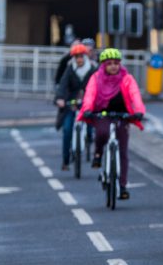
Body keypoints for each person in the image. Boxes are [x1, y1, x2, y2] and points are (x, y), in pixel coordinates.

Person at [77, 48, 146, 200]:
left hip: (122, 115)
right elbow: (89, 95)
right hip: (102, 113)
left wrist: (139, 111)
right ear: (104, 65)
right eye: (110, 63)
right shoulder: (96, 78)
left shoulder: (127, 78)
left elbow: (135, 95)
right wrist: (87, 109)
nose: (113, 66)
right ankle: (98, 153)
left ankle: (122, 186)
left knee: (123, 151)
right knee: (102, 132)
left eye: (116, 63)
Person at [54, 41, 96, 171]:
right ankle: (66, 160)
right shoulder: (70, 69)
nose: (79, 59)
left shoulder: (92, 69)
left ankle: (89, 137)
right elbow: (63, 85)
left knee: (91, 123)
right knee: (67, 129)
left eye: (81, 56)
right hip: (71, 103)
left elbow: (97, 85)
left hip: (87, 102)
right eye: (76, 57)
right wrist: (60, 98)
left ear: (85, 56)